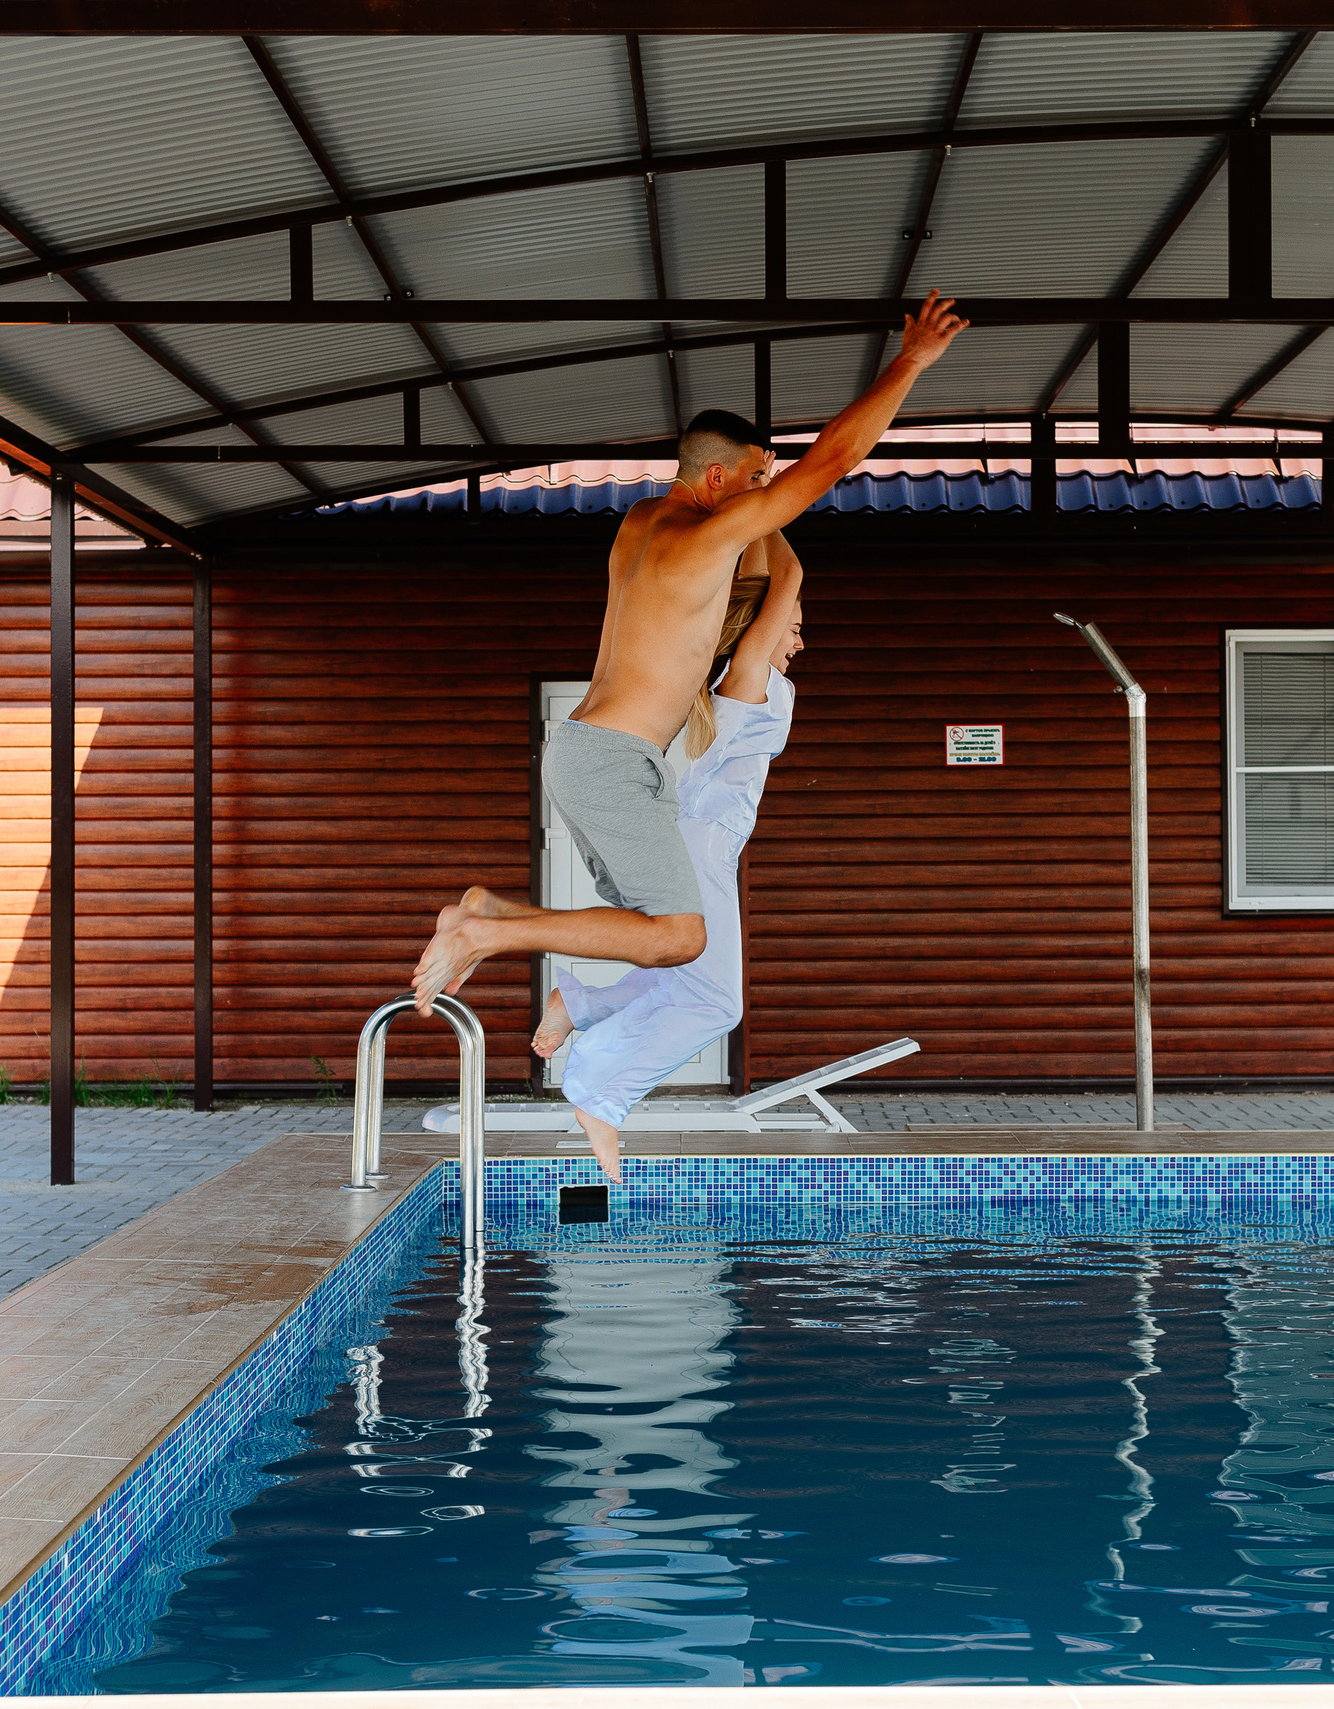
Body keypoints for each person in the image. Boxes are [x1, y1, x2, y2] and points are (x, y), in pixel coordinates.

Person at [409, 289, 968, 1014]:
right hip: (610, 759)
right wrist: (911, 360)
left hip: (591, 752)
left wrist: (767, 488)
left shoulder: (640, 520)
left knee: (646, 928)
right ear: (716, 482)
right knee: (678, 936)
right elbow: (833, 461)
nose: (761, 499)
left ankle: (494, 914)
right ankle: (480, 931)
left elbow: (788, 566)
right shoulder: (704, 539)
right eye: (752, 483)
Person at [533, 544, 803, 1182]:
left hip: (704, 840)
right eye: (793, 628)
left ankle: (578, 1004)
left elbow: (775, 584)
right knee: (716, 1002)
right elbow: (786, 577)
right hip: (704, 841)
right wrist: (766, 501)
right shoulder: (745, 679)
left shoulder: (735, 686)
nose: (798, 641)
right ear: (761, 629)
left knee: (684, 978)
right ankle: (602, 1096)